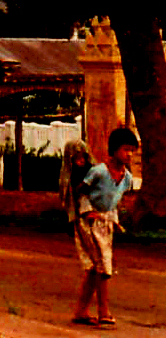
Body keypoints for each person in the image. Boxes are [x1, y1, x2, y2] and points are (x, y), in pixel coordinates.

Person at [77, 126, 141, 327]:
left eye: (132, 150)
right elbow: (81, 191)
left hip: (106, 224)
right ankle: (104, 311)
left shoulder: (127, 177)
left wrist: (115, 220)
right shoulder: (98, 171)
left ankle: (81, 311)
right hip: (89, 222)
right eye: (125, 149)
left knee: (96, 268)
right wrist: (87, 211)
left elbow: (116, 201)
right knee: (103, 267)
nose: (129, 154)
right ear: (113, 149)